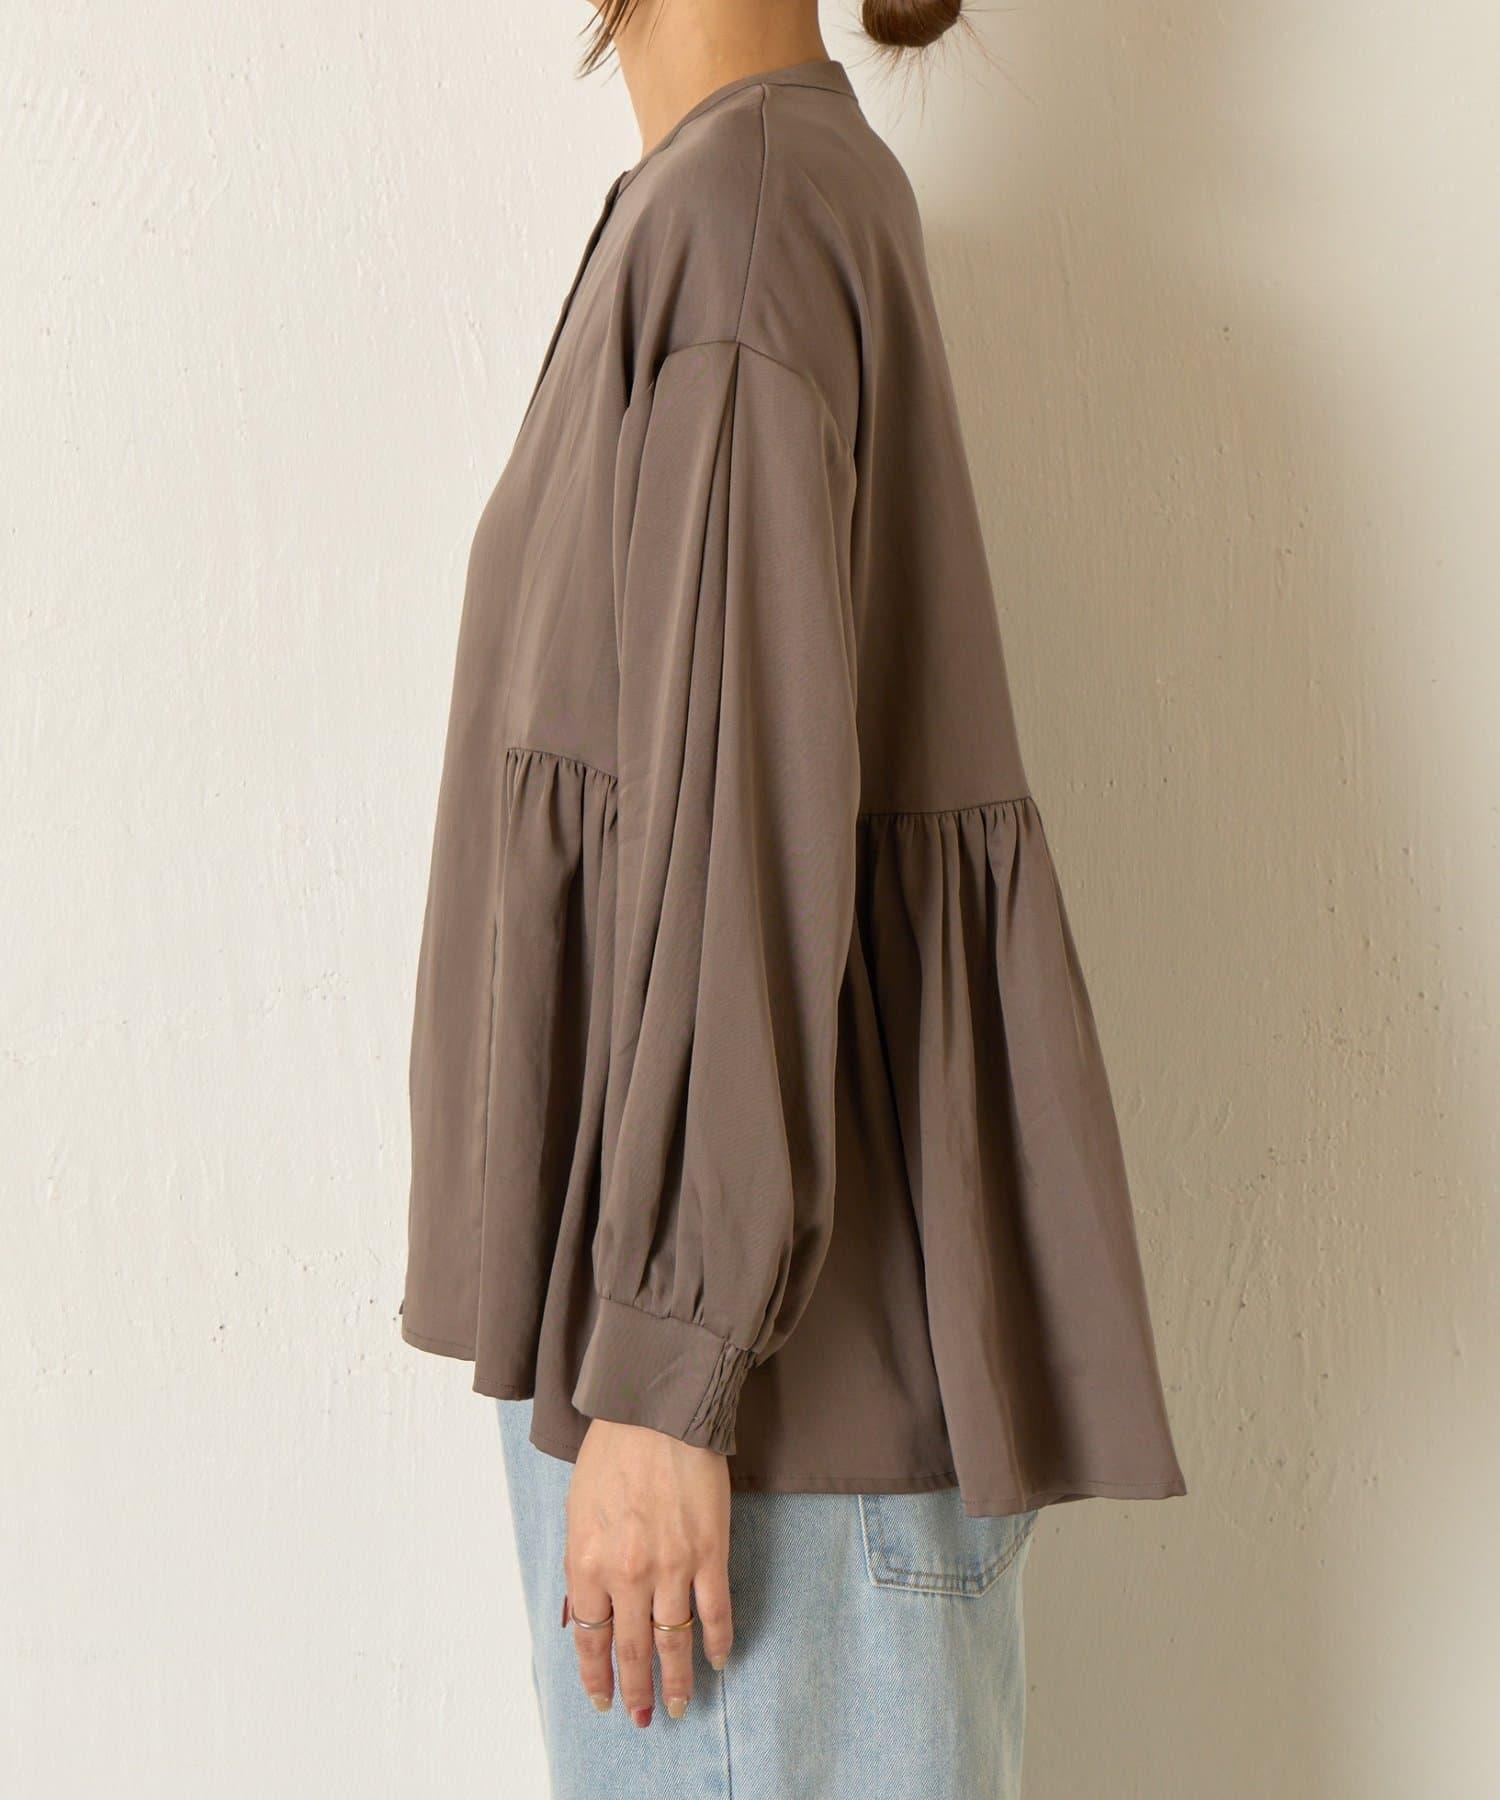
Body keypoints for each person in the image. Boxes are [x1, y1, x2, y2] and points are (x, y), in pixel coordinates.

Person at [402, 1, 1186, 1791]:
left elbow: (742, 828)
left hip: (743, 1437)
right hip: (723, 1397)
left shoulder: (741, 221)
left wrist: (670, 1366)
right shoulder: (736, 198)